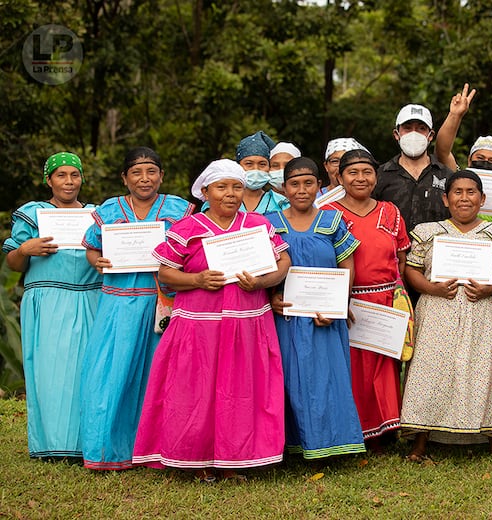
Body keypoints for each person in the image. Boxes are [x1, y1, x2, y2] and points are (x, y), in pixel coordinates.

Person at [132, 159, 290, 481]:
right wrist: (198, 280)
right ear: (205, 191)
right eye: (222, 187)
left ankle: (234, 459)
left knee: (241, 392)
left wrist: (262, 283)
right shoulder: (188, 228)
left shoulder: (257, 224)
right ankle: (198, 458)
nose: (230, 194)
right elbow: (164, 272)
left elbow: (283, 261)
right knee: (196, 392)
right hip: (199, 325)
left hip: (247, 322)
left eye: (236, 186)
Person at [80, 147, 194, 470]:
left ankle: (157, 449)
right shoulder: (110, 210)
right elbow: (91, 247)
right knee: (112, 374)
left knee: (160, 375)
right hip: (119, 302)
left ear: (161, 176)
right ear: (124, 178)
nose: (144, 179)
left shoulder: (178, 209)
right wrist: (98, 262)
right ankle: (110, 450)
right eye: (136, 172)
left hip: (164, 303)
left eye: (151, 171)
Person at [400, 170, 492, 461]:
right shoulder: (428, 231)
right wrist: (431, 288)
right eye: (457, 192)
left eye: (471, 192)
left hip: (483, 310)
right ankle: (420, 441)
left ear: (482, 199)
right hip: (438, 309)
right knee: (430, 372)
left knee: (485, 371)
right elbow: (410, 269)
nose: (464, 198)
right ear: (446, 198)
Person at [3, 152, 102, 460]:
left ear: (82, 179)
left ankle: (90, 442)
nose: (68, 181)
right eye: (61, 175)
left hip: (90, 297)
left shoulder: (98, 214)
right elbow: (13, 263)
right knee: (51, 370)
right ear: (49, 180)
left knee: (89, 369)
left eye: (74, 175)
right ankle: (53, 444)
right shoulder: (33, 214)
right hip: (48, 299)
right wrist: (25, 248)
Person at [267, 157, 365, 460]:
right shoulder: (269, 223)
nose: (301, 189)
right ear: (284, 188)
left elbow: (347, 266)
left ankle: (331, 442)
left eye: (308, 182)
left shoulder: (332, 221)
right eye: (294, 183)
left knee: (326, 378)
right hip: (285, 317)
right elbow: (263, 268)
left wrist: (337, 307)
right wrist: (271, 298)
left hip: (325, 319)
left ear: (319, 185)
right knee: (287, 379)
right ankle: (289, 446)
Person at [323, 148, 410, 450]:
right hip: (347, 301)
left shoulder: (391, 211)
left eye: (367, 172)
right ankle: (356, 429)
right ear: (340, 177)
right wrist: (337, 300)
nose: (360, 178)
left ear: (376, 176)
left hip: (385, 299)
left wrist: (400, 300)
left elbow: (401, 260)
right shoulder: (328, 213)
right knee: (353, 369)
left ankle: (387, 430)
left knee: (384, 368)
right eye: (353, 172)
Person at [374, 103, 453, 231]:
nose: (414, 134)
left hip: (435, 249)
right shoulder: (379, 176)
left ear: (430, 136)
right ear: (396, 134)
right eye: (407, 128)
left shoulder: (447, 176)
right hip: (392, 250)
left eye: (421, 128)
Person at [232, 129, 286, 214]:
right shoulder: (224, 201)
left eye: (262, 164)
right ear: (238, 166)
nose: (255, 169)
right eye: (249, 164)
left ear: (269, 167)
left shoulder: (281, 203)